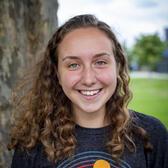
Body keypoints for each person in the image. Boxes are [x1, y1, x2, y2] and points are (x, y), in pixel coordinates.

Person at [8, 14, 167, 168]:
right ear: (57, 73)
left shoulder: (152, 135)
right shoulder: (32, 143)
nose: (88, 79)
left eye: (100, 62)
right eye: (73, 65)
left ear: (117, 67)